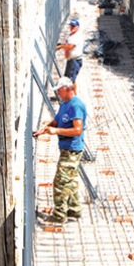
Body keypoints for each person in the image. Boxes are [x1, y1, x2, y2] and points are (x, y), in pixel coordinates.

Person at [33, 77, 87, 224]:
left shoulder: (76, 106)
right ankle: (74, 210)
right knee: (70, 180)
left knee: (60, 182)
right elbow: (56, 121)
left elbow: (77, 130)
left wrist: (56, 131)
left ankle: (59, 215)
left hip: (72, 150)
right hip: (66, 149)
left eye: (60, 91)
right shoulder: (65, 104)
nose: (58, 94)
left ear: (68, 89)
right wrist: (44, 129)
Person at [56, 18, 84, 93]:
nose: (71, 28)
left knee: (71, 80)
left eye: (73, 26)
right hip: (71, 60)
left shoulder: (77, 36)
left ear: (77, 27)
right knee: (68, 78)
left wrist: (61, 46)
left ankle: (74, 96)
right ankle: (68, 95)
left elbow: (70, 46)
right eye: (71, 26)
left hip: (75, 60)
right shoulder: (72, 35)